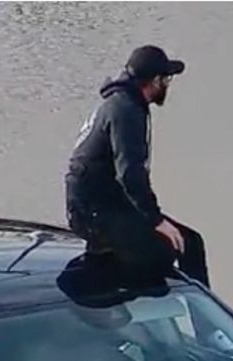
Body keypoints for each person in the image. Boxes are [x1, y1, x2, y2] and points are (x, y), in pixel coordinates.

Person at [65, 45, 211, 288]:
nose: (167, 85)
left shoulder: (122, 102)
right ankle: (108, 285)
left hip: (106, 206)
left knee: (190, 242)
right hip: (94, 213)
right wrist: (156, 220)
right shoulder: (126, 111)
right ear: (155, 81)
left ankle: (202, 318)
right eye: (166, 79)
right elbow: (130, 175)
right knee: (170, 250)